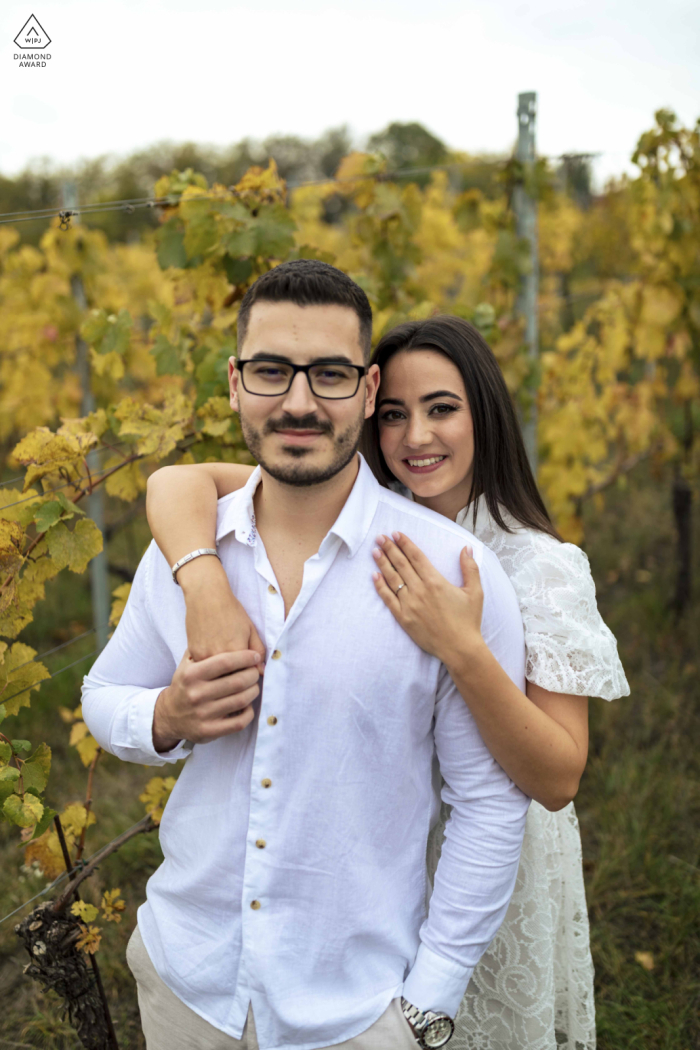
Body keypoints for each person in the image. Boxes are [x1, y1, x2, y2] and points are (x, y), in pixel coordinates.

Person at [146, 310, 630, 1050]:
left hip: (486, 864)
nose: (415, 438)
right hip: (374, 872)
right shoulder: (358, 514)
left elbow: (558, 777)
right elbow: (178, 483)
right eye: (397, 414)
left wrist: (460, 649)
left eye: (442, 409)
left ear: (486, 416)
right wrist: (205, 581)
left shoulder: (539, 566)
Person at [82, 260, 531, 1050]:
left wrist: (426, 1004)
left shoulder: (449, 571)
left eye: (328, 374)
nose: (297, 402)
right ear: (233, 382)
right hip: (187, 983)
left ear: (366, 389)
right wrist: (164, 716)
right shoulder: (189, 552)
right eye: (270, 371)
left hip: (359, 1014)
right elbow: (103, 693)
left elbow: (490, 803)